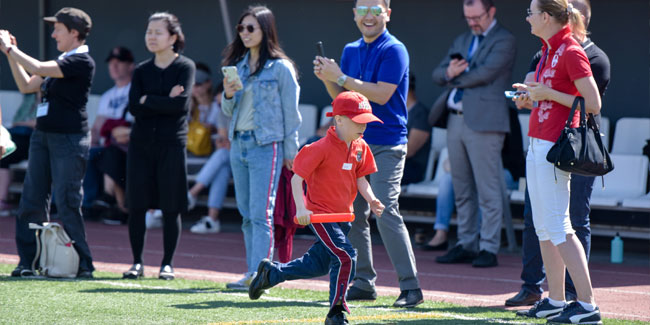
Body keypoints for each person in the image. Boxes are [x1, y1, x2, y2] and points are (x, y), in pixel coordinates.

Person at [314, 0, 423, 308]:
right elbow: (344, 101)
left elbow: (381, 94)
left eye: (375, 9)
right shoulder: (350, 50)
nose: (369, 16)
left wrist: (340, 77)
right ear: (354, 16)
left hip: (388, 143)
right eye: (362, 10)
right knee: (354, 215)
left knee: (385, 209)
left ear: (387, 13)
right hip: (355, 144)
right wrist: (328, 79)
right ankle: (363, 282)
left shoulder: (394, 49)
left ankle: (411, 287)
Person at [505, 0, 610, 308]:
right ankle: (556, 300)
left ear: (547, 17)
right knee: (544, 227)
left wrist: (547, 93)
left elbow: (592, 103)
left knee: (560, 225)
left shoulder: (570, 49)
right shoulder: (549, 49)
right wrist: (530, 98)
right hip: (538, 143)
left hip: (554, 147)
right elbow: (551, 100)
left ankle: (588, 304)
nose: (528, 19)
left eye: (531, 13)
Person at [247, 91, 385, 325]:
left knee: (317, 264)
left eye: (366, 121)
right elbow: (296, 179)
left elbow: (361, 178)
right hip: (321, 216)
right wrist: (302, 209)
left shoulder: (361, 146)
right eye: (359, 121)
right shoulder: (319, 147)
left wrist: (372, 200)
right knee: (346, 256)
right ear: (339, 120)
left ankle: (271, 274)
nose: (364, 126)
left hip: (344, 217)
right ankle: (336, 313)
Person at [0, 7, 96, 278]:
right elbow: (27, 85)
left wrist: (9, 49)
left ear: (74, 33)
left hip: (70, 139)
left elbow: (39, 68)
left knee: (67, 200)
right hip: (42, 136)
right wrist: (12, 55)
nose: (53, 34)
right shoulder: (63, 59)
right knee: (32, 198)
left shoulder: (82, 61)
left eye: (58, 29)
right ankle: (27, 261)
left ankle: (83, 263)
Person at [429, 0, 516, 268]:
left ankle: (488, 247)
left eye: (476, 17)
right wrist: (447, 72)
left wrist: (451, 77)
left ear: (492, 11)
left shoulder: (505, 39)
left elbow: (485, 74)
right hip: (455, 121)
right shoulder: (463, 38)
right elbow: (437, 73)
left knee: (489, 189)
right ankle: (466, 243)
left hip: (486, 123)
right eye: (468, 17)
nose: (472, 22)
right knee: (462, 187)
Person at [221, 5, 301, 290]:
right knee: (246, 212)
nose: (244, 33)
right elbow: (228, 108)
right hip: (239, 142)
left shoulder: (281, 68)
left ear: (265, 30)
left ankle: (260, 273)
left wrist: (292, 151)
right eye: (241, 28)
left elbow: (292, 114)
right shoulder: (239, 66)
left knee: (261, 212)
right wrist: (228, 94)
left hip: (265, 144)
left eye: (250, 28)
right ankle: (253, 270)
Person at [122, 12, 195, 281]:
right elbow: (133, 107)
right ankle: (136, 262)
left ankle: (167, 264)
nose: (151, 37)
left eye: (158, 32)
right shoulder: (141, 70)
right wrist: (163, 99)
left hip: (171, 144)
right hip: (141, 144)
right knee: (137, 205)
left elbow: (181, 106)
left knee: (171, 206)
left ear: (173, 37)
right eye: (148, 31)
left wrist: (148, 100)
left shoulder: (185, 67)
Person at [83, 46, 134, 218]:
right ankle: (89, 204)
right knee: (85, 153)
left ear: (130, 65)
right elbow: (97, 127)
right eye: (111, 63)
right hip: (107, 145)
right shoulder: (107, 96)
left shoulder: (136, 89)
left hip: (126, 145)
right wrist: (87, 140)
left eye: (119, 62)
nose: (114, 67)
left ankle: (105, 201)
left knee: (106, 155)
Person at [187, 76, 231, 234]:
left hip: (249, 160)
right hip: (230, 159)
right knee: (222, 167)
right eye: (220, 103)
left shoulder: (245, 112)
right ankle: (212, 219)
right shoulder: (222, 113)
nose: (222, 106)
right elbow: (223, 141)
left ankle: (192, 194)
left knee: (222, 156)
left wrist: (232, 145)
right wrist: (226, 143)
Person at [0, 94, 37, 217]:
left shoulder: (52, 99)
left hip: (33, 139)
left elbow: (39, 123)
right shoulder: (29, 98)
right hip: (16, 135)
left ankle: (2, 200)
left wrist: (21, 123)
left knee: (4, 155)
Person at [402, 72, 431, 186]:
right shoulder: (395, 113)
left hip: (412, 168)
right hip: (393, 162)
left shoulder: (421, 114)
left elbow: (409, 151)